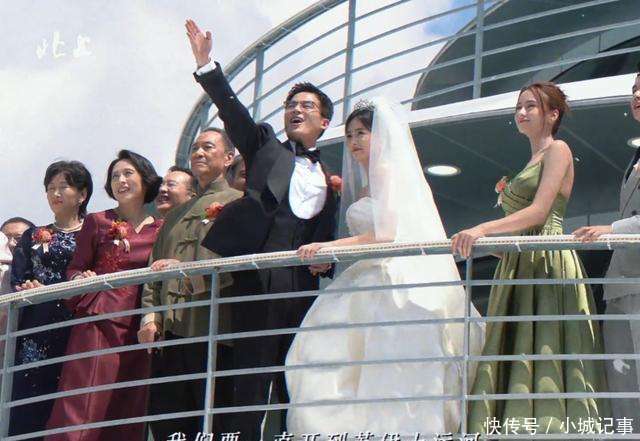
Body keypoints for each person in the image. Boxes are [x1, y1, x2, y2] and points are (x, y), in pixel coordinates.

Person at [286, 98, 485, 435]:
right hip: (367, 273)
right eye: (350, 135)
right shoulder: (367, 182)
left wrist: (329, 247)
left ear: (380, 135)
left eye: (361, 133)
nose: (354, 142)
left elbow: (385, 234)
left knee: (372, 364)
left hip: (389, 276)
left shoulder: (386, 171)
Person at [186, 19, 339, 439]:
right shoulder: (266, 146)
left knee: (296, 378)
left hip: (302, 288)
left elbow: (324, 234)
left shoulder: (329, 175)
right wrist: (207, 67)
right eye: (291, 104)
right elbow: (234, 113)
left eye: (307, 105)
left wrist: (325, 262)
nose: (296, 110)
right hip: (257, 279)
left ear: (325, 122)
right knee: (250, 384)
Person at [451, 82, 610, 433]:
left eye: (531, 106)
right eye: (519, 107)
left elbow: (539, 212)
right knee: (520, 345)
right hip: (521, 262)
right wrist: (484, 244)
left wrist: (482, 228)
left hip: (547, 259)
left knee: (546, 344)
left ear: (552, 114)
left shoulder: (558, 149)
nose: (521, 112)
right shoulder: (532, 160)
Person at [45, 150, 163, 441]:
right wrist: (81, 279)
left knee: (128, 402)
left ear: (145, 179)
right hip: (99, 320)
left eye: (128, 173)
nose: (120, 181)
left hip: (140, 324)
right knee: (84, 399)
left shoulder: (162, 227)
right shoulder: (98, 221)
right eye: (115, 176)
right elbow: (74, 268)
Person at [139, 128, 242, 440]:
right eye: (195, 147)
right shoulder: (174, 215)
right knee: (168, 423)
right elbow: (153, 270)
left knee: (213, 422)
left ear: (228, 158)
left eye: (208, 147)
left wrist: (186, 274)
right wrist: (151, 317)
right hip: (170, 334)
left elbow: (236, 265)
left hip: (212, 329)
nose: (198, 153)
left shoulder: (239, 202)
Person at [573, 69, 640, 429]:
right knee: (620, 383)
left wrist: (610, 230)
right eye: (634, 89)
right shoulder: (636, 154)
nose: (637, 95)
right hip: (621, 284)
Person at [8, 161, 93, 440]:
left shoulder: (95, 232)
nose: (55, 193)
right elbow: (19, 276)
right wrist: (28, 285)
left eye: (63, 187)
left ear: (82, 194)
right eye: (50, 188)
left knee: (73, 397)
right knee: (29, 399)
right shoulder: (32, 235)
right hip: (37, 328)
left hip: (77, 325)